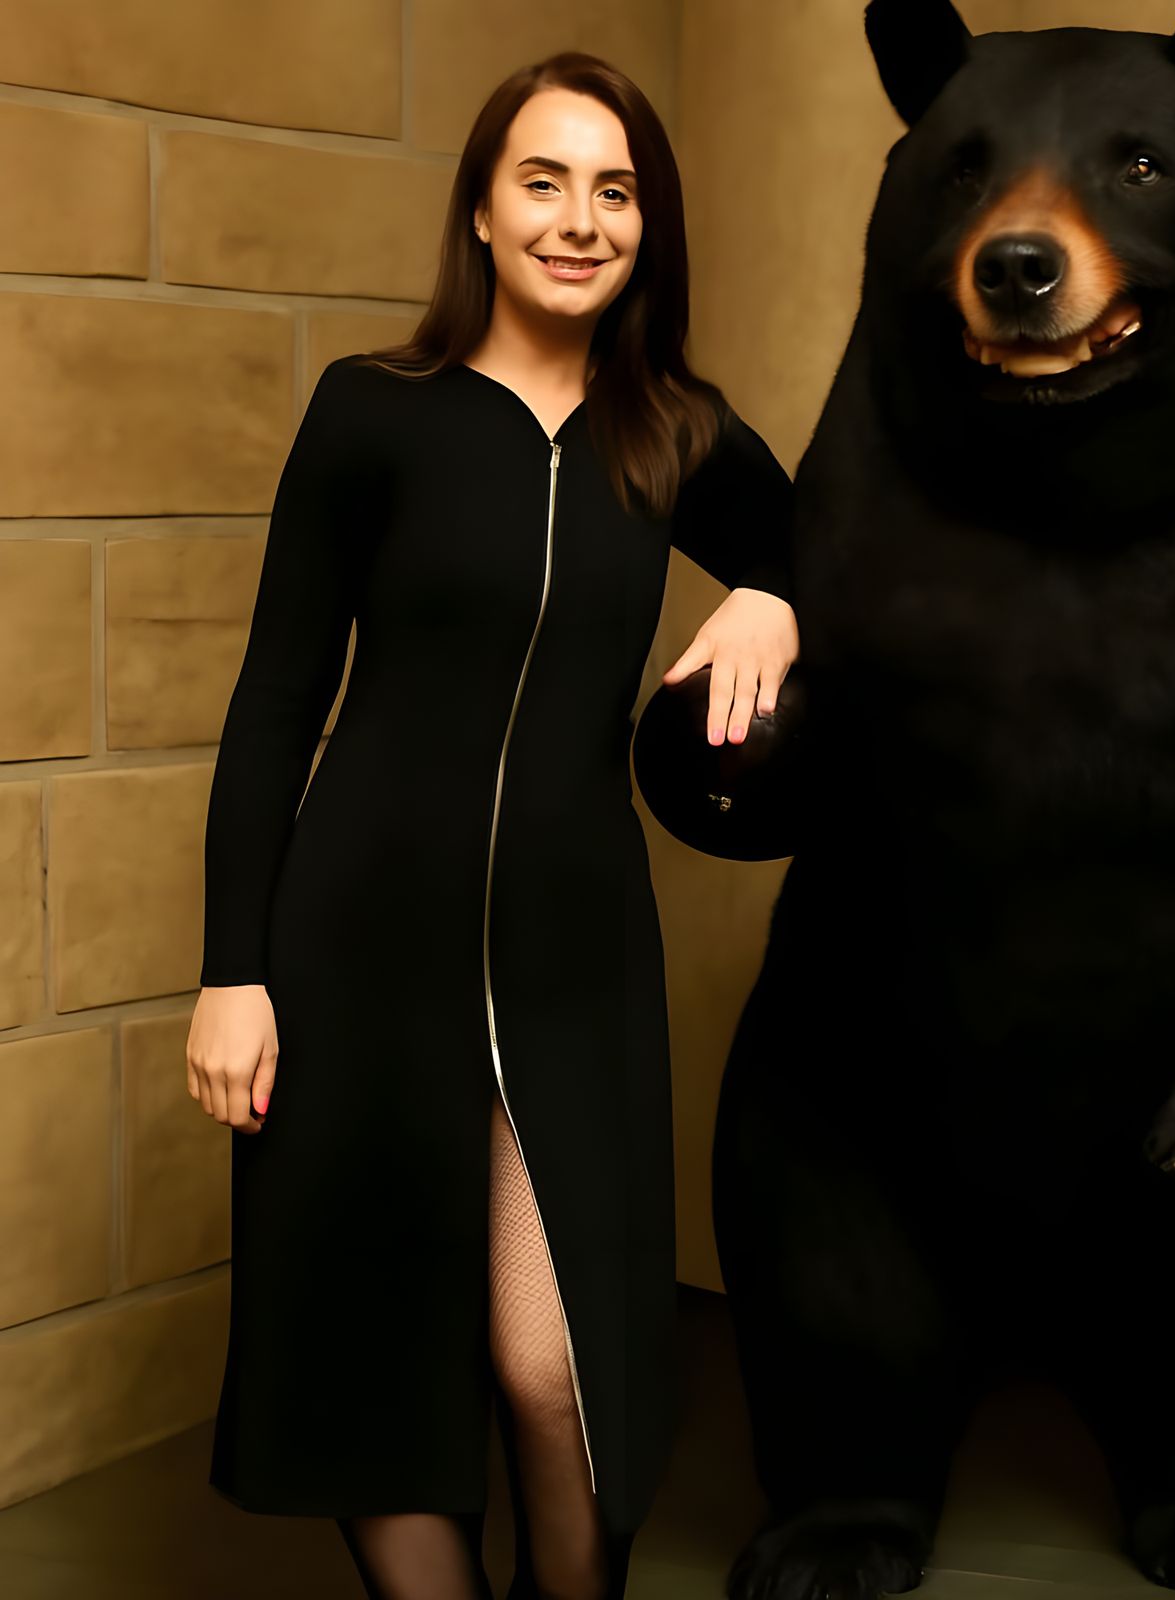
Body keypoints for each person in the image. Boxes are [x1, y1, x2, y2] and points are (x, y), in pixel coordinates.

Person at [184, 51, 799, 1600]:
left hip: (573, 960)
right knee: (375, 1368)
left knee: (556, 1372)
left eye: (615, 191)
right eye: (545, 180)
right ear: (479, 206)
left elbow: (835, 543)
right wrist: (231, 970)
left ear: (646, 228)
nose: (579, 220)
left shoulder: (677, 435)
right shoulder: (372, 416)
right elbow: (273, 705)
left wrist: (778, 598)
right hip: (353, 956)